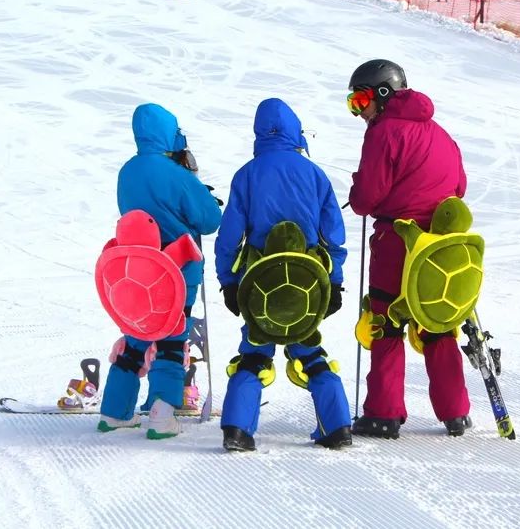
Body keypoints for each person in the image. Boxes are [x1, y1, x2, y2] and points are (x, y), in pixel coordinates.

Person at [215, 98, 351, 452]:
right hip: (307, 282)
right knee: (310, 350)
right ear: (295, 130)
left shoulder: (247, 174)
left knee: (255, 354)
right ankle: (337, 427)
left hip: (260, 285)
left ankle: (238, 431)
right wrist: (334, 280)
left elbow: (229, 237)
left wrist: (228, 283)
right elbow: (333, 233)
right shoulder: (314, 174)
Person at [346, 59, 471, 440]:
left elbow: (367, 198)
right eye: (353, 103)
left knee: (386, 322)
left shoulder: (384, 133)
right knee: (437, 323)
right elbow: (459, 188)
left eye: (362, 100)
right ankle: (456, 412)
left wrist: (357, 190)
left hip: (398, 241)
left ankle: (384, 413)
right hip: (438, 246)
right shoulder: (439, 132)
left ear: (383, 95)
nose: (360, 111)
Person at [97, 103, 222, 439]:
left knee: (136, 337)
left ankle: (113, 412)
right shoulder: (177, 174)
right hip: (176, 271)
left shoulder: (128, 170)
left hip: (136, 271)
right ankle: (161, 414)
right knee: (171, 339)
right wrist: (201, 194)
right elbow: (210, 221)